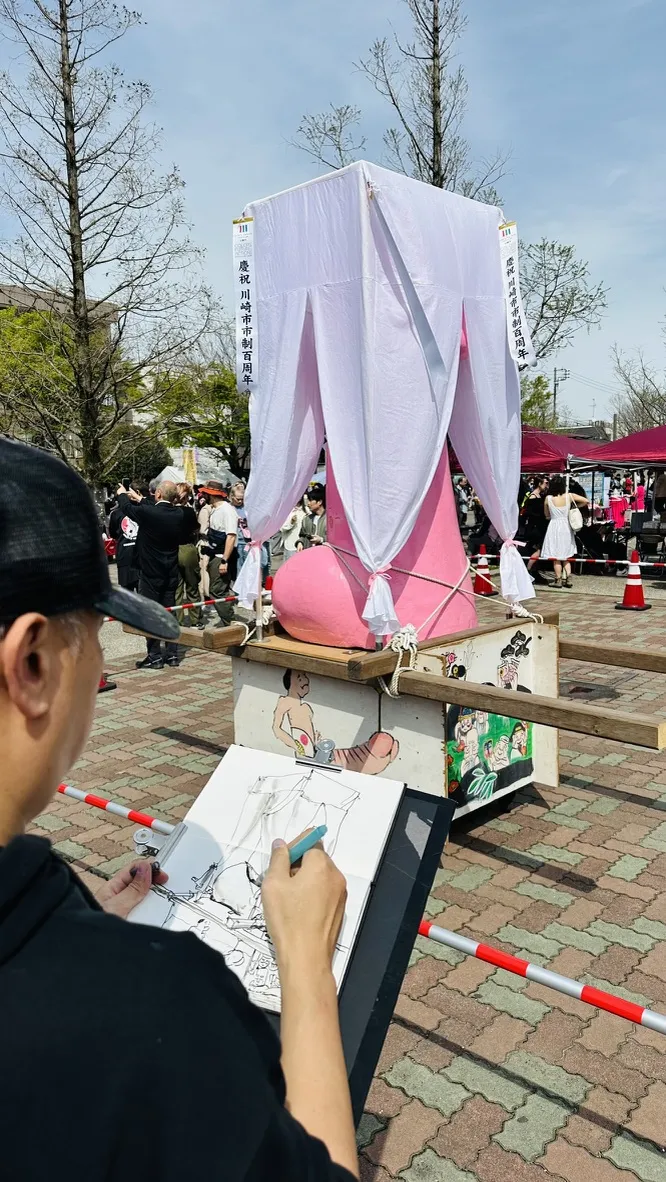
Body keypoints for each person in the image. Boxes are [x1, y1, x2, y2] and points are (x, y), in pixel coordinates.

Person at [0, 437, 359, 1182]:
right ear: (31, 664)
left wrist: (75, 920)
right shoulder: (153, 1009)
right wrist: (304, 968)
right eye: (96, 636)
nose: (99, 665)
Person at [116, 481, 183, 668]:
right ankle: (172, 655)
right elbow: (156, 509)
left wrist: (122, 493)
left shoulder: (149, 513)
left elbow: (127, 508)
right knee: (170, 612)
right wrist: (141, 498)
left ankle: (154, 657)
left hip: (150, 573)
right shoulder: (178, 514)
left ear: (159, 494)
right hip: (170, 571)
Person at [200, 481, 238, 627]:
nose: (202, 495)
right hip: (214, 553)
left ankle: (230, 622)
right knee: (218, 590)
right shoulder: (215, 509)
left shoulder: (227, 510)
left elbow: (231, 536)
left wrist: (224, 560)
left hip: (222, 556)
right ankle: (229, 620)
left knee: (217, 590)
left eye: (205, 493)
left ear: (212, 495)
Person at [541, 475, 589, 588]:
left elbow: (546, 515)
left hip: (553, 526)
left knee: (555, 555)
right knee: (566, 555)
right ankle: (568, 578)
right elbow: (586, 501)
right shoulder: (569, 496)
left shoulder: (548, 499)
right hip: (566, 526)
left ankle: (557, 579)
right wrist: (575, 506)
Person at [174, 481, 203, 628]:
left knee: (177, 589)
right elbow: (196, 529)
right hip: (187, 549)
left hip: (172, 550)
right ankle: (195, 620)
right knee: (192, 586)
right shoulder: (189, 512)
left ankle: (177, 621)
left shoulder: (168, 512)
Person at [107, 488, 140, 593]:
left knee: (127, 592)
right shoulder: (139, 509)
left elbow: (112, 533)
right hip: (138, 554)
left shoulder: (116, 514)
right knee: (142, 593)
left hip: (124, 553)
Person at [521, 476, 549, 585]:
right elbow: (530, 513)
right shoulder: (533, 497)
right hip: (535, 528)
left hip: (537, 527)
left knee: (535, 549)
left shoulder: (539, 496)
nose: (547, 485)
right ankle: (529, 570)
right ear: (539, 483)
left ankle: (532, 571)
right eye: (545, 483)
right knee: (539, 549)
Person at [298, 484, 327, 549]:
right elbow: (303, 535)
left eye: (310, 500)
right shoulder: (306, 519)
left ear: (319, 502)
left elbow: (337, 540)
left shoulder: (330, 519)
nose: (308, 503)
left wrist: (321, 540)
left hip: (324, 554)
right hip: (309, 553)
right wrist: (300, 542)